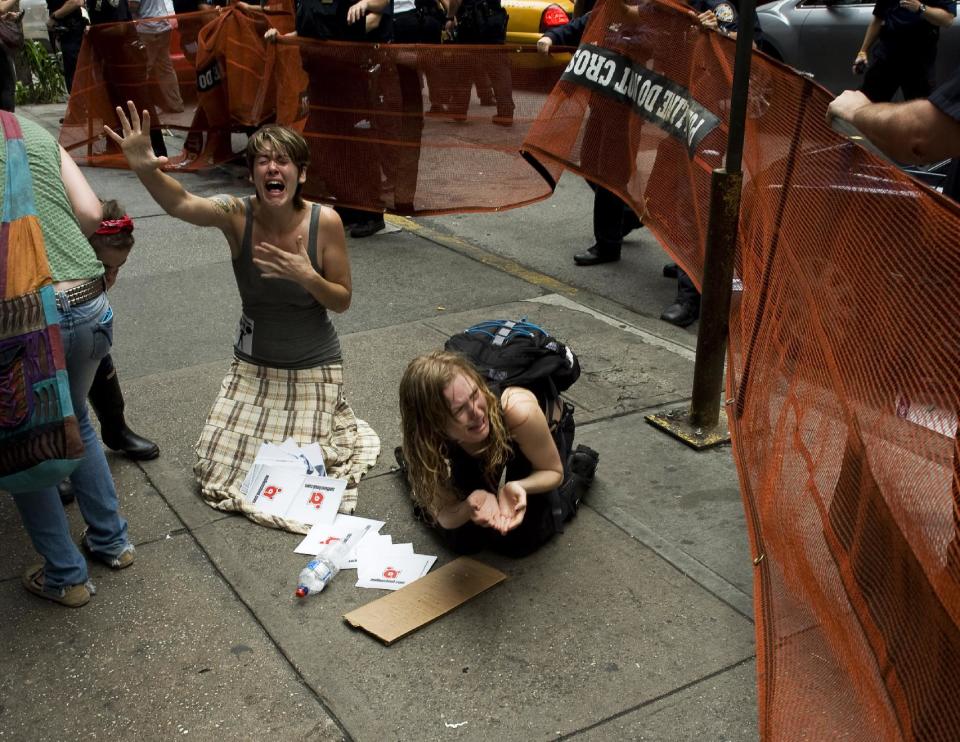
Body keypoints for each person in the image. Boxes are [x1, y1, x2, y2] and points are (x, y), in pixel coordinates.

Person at [104, 103, 380, 529]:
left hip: (313, 364)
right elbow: (181, 202)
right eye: (264, 161)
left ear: (300, 174)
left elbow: (341, 300)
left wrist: (307, 276)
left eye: (284, 160)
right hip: (254, 366)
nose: (274, 168)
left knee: (304, 477)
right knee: (218, 469)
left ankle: (327, 414)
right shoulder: (237, 215)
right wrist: (145, 169)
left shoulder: (325, 222)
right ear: (252, 174)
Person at [7, 113, 135, 608]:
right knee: (77, 416)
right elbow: (90, 216)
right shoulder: (31, 131)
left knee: (25, 439)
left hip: (25, 316)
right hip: (88, 301)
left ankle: (64, 574)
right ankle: (113, 541)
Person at [398, 351, 596, 556]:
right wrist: (470, 505)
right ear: (434, 424)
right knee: (465, 540)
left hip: (535, 434)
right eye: (459, 410)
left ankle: (578, 475)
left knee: (517, 542)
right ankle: (417, 478)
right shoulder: (424, 436)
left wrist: (519, 485)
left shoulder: (518, 409)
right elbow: (447, 514)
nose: (476, 412)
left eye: (475, 395)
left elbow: (552, 472)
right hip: (473, 441)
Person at [59, 201, 161, 504]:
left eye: (120, 267)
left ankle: (116, 429)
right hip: (55, 319)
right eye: (105, 268)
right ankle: (53, 459)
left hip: (87, 321)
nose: (112, 276)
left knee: (102, 364)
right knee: (57, 394)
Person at [537, 10, 643, 267]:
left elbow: (652, 44)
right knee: (589, 164)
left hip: (625, 106)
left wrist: (625, 35)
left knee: (609, 172)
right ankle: (627, 216)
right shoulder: (608, 8)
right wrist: (551, 36)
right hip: (601, 101)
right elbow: (579, 26)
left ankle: (607, 244)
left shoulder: (649, 11)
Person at [853, 0, 955, 105]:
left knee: (919, 113)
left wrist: (921, 8)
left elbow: (947, 20)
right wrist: (863, 51)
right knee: (868, 105)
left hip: (918, 63)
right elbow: (878, 19)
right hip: (886, 58)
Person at [130, 0, 185, 115]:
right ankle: (176, 104)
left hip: (147, 28)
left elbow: (133, 4)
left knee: (144, 70)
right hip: (164, 27)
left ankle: (145, 109)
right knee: (166, 69)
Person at [46, 0, 87, 94]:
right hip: (63, 33)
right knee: (71, 78)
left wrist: (54, 16)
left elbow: (76, 1)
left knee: (76, 79)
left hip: (73, 32)